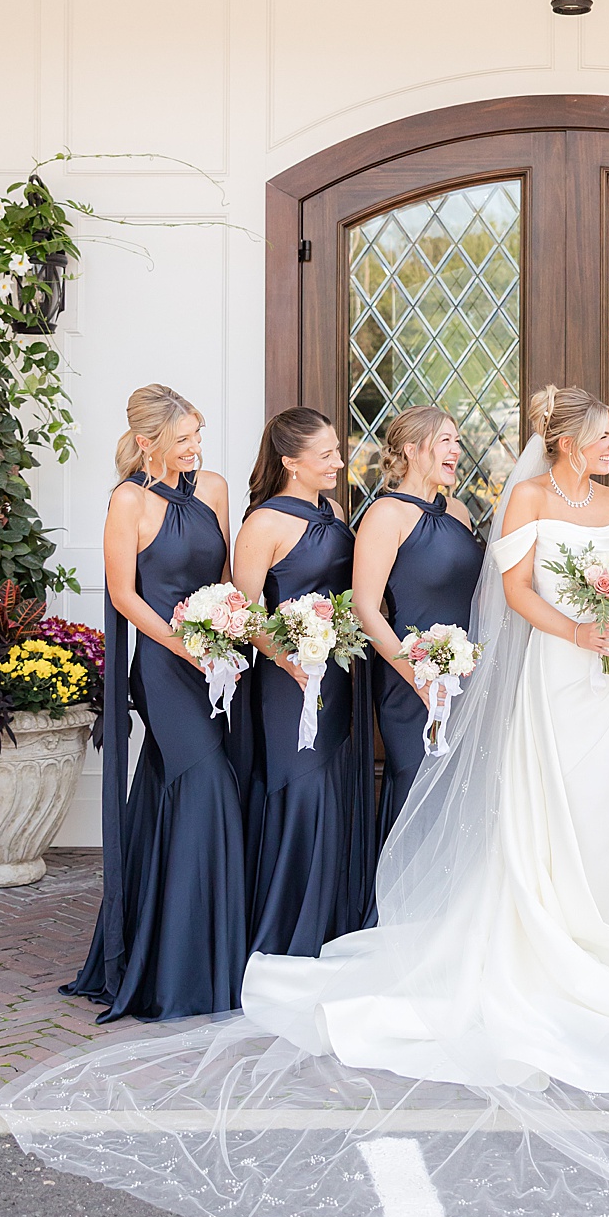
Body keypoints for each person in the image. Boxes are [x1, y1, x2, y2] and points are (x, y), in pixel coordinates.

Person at [8, 384, 609, 1217]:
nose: (341, 460)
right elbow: (284, 598)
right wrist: (329, 657)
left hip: (463, 677)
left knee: (461, 807)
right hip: (338, 675)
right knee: (267, 792)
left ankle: (302, 934)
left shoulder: (398, 508)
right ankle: (211, 954)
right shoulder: (333, 515)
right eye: (329, 450)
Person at [63, 385, 254, 1021]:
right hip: (165, 667)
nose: (196, 447)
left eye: (198, 435)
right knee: (207, 785)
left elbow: (223, 577)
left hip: (215, 661)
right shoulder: (128, 501)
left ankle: (158, 948)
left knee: (164, 791)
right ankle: (188, 970)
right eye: (183, 439)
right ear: (148, 443)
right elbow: (124, 594)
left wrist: (228, 628)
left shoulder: (214, 489)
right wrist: (184, 647)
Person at [238, 408, 370, 957]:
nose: (339, 461)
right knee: (302, 789)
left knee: (332, 788)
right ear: (291, 462)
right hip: (287, 680)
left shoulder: (333, 511)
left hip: (336, 673)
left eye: (337, 450)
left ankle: (329, 925)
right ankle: (286, 931)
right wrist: (288, 658)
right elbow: (244, 613)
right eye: (326, 454)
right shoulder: (263, 524)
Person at [352, 404, 484, 896]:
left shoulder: (459, 512)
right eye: (445, 440)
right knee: (415, 783)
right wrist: (418, 675)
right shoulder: (386, 514)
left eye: (457, 440)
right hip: (409, 680)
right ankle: (400, 905)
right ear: (411, 449)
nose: (456, 450)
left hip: (463, 675)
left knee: (457, 790)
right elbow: (366, 608)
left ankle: (448, 908)